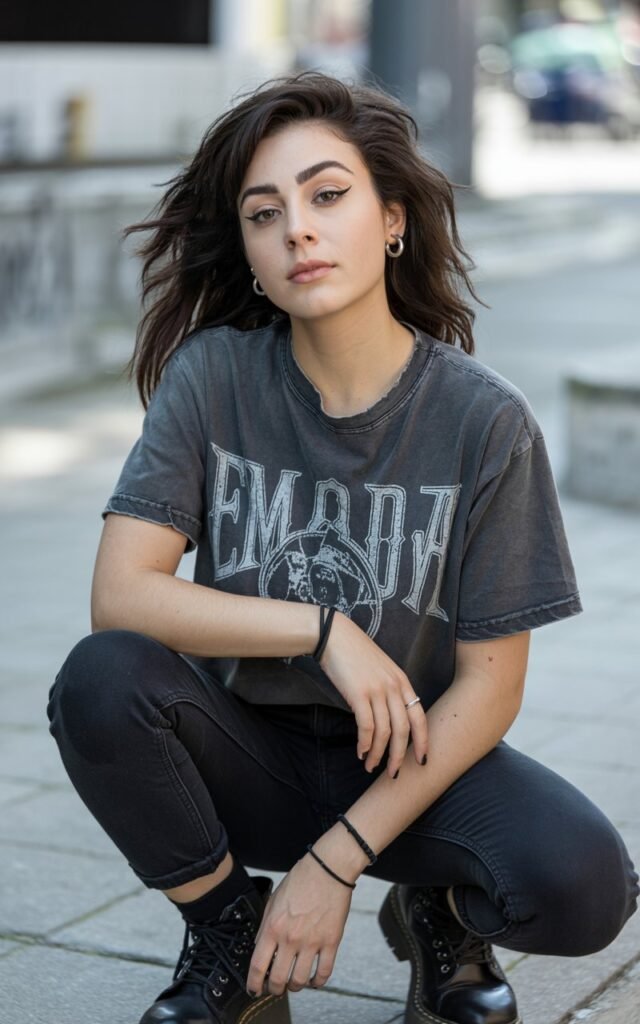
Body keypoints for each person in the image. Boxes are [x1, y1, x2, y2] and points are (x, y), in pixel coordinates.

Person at [47, 70, 638, 1024]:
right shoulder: (214, 379)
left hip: (409, 764)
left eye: (328, 195)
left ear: (393, 218)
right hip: (250, 753)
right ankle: (229, 932)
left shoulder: (484, 422)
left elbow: (491, 689)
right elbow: (121, 595)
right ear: (246, 249)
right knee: (101, 680)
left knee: (583, 885)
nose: (298, 232)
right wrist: (326, 630)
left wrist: (332, 865)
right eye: (264, 212)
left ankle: (440, 913)